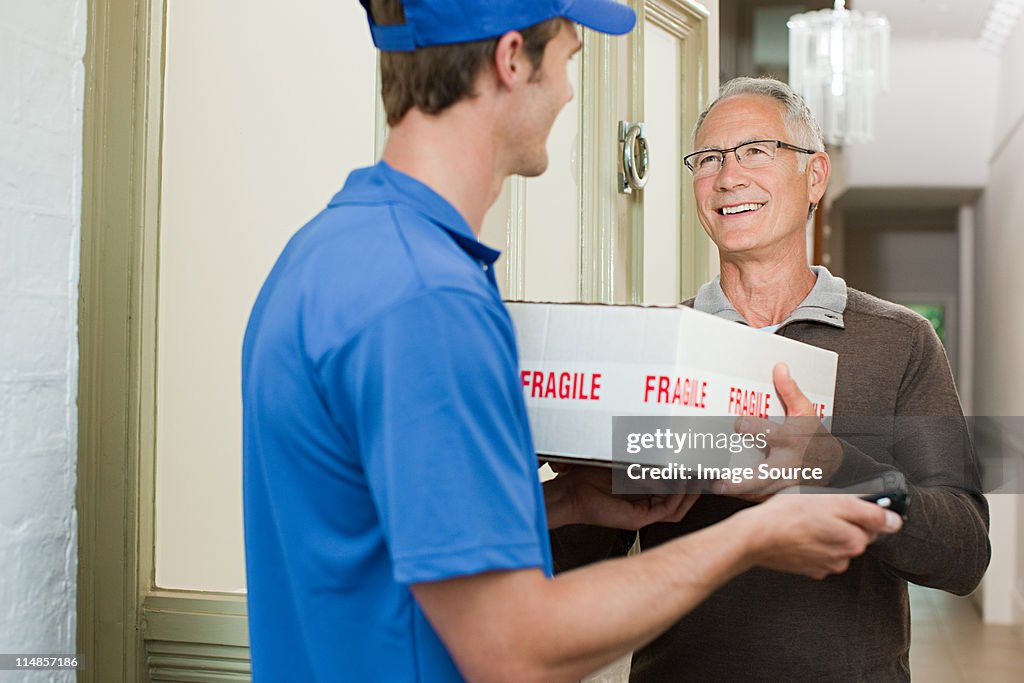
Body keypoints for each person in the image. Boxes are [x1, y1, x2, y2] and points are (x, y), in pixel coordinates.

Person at [241, 5, 903, 680]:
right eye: (566, 57)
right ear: (510, 60)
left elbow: (378, 543)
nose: (567, 90)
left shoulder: (327, 253)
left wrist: (564, 503)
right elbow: (512, 646)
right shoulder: (429, 300)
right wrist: (753, 536)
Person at [551, 76, 991, 682]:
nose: (729, 177)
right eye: (708, 159)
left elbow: (963, 554)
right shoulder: (653, 349)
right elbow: (560, 569)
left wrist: (834, 467)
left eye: (756, 150)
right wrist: (562, 483)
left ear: (814, 176)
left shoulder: (903, 342)